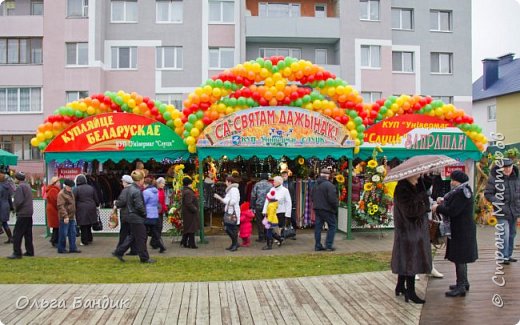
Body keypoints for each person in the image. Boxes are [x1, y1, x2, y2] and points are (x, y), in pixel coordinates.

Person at [432, 170, 478, 297]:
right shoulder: (461, 191)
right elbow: (452, 204)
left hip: (461, 230)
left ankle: (461, 286)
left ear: (459, 181)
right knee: (460, 257)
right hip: (461, 229)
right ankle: (464, 282)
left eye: (453, 180)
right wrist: (443, 201)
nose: (451, 182)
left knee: (460, 258)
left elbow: (453, 211)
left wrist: (438, 208)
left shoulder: (462, 193)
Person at [391, 174, 433, 304]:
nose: (419, 176)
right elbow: (409, 211)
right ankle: (410, 291)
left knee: (405, 258)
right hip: (408, 231)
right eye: (417, 174)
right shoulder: (402, 189)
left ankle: (400, 286)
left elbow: (424, 185)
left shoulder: (414, 185)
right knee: (411, 261)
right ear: (409, 175)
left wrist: (427, 179)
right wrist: (424, 205)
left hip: (413, 231)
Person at [113, 170, 155, 263]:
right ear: (140, 180)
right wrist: (145, 214)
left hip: (131, 216)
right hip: (136, 217)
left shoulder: (129, 189)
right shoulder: (136, 191)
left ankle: (119, 251)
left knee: (133, 236)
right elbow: (139, 206)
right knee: (141, 237)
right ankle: (144, 258)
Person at [484, 158, 520, 264]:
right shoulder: (494, 178)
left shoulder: (517, 177)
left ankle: (508, 255)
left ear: (512, 166)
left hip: (514, 210)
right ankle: (502, 256)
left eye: (509, 167)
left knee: (512, 234)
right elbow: (488, 194)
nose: (507, 169)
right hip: (501, 210)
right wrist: (498, 203)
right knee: (504, 233)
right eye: (505, 167)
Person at [7, 172, 34, 259]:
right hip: (29, 213)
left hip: (22, 213)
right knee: (28, 234)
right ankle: (30, 251)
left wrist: (15, 209)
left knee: (17, 234)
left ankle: (17, 252)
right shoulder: (27, 186)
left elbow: (18, 201)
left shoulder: (20, 187)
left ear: (17, 179)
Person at [311, 168, 339, 252]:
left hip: (317, 208)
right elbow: (332, 199)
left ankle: (317, 245)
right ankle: (328, 245)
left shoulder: (315, 184)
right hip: (327, 209)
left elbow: (312, 196)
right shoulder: (329, 185)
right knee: (332, 226)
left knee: (318, 227)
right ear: (327, 176)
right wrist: (335, 208)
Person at [262, 176, 291, 249]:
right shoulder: (272, 189)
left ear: (279, 182)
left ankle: (278, 239)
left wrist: (288, 214)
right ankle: (278, 238)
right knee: (270, 228)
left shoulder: (285, 190)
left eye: (274, 181)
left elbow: (288, 202)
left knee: (279, 226)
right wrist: (264, 210)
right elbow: (267, 200)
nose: (273, 182)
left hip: (281, 211)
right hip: (271, 211)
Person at [214, 176, 241, 252]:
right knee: (229, 228)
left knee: (231, 228)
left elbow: (233, 201)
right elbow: (227, 200)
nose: (225, 183)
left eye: (226, 181)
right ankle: (234, 244)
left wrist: (220, 198)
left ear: (229, 182)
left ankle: (235, 244)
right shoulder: (230, 190)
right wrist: (222, 199)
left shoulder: (234, 190)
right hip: (230, 212)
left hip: (233, 213)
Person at [74, 174, 100, 246]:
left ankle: (84, 241)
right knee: (89, 224)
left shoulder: (76, 189)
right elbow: (96, 198)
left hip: (81, 209)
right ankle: (89, 238)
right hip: (91, 207)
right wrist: (97, 205)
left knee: (83, 225)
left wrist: (74, 207)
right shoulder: (91, 188)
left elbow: (74, 199)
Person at [114, 175, 137, 255]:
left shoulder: (125, 190)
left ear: (126, 182)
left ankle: (119, 250)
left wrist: (116, 203)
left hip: (126, 215)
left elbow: (122, 201)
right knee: (132, 233)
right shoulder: (134, 189)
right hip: (133, 215)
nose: (122, 183)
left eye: (123, 181)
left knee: (123, 234)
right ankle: (134, 250)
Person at [57, 179, 81, 254]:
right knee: (63, 234)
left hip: (71, 217)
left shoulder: (70, 193)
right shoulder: (61, 194)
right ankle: (61, 249)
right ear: (66, 186)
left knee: (72, 233)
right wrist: (65, 216)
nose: (71, 188)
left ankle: (73, 248)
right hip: (65, 218)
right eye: (70, 187)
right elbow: (60, 206)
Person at [143, 177, 166, 253]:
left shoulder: (146, 192)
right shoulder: (155, 191)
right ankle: (160, 245)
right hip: (155, 213)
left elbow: (143, 203)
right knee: (155, 231)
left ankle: (143, 248)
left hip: (148, 214)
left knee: (145, 232)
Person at [250, 173, 272, 242]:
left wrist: (252, 206)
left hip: (258, 205)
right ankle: (266, 236)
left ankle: (261, 237)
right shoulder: (271, 185)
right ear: (267, 178)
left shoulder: (257, 184)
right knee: (267, 221)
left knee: (259, 222)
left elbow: (253, 196)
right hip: (268, 206)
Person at [181, 176, 200, 249]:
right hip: (190, 213)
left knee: (188, 228)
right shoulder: (188, 192)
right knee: (191, 228)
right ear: (189, 184)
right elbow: (188, 203)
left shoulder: (185, 191)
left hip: (187, 213)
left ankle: (184, 242)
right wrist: (195, 209)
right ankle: (192, 244)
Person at [281, 170, 297, 239]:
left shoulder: (291, 183)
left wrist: (294, 203)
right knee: (283, 219)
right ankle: (284, 233)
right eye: (283, 176)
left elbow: (294, 194)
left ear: (287, 176)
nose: (284, 177)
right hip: (282, 204)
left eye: (285, 176)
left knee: (292, 218)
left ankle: (293, 233)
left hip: (290, 203)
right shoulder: (280, 184)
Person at [45, 176, 61, 247]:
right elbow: (55, 201)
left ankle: (54, 240)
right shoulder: (53, 190)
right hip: (54, 210)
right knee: (56, 226)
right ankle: (55, 241)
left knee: (56, 227)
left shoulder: (53, 189)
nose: (59, 183)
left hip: (53, 210)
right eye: (58, 182)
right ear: (55, 183)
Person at [153, 177, 167, 248]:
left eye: (164, 183)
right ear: (158, 183)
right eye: (162, 183)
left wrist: (165, 208)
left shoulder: (162, 190)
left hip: (161, 211)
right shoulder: (155, 191)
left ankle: (154, 241)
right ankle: (156, 242)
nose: (164, 185)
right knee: (158, 227)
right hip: (156, 211)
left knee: (159, 227)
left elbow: (163, 201)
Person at [0, 172, 14, 244]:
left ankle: (11, 238)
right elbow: (9, 198)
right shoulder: (7, 187)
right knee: (4, 223)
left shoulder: (0, 187)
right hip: (6, 205)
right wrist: (11, 207)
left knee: (4, 223)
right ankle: (11, 238)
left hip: (1, 206)